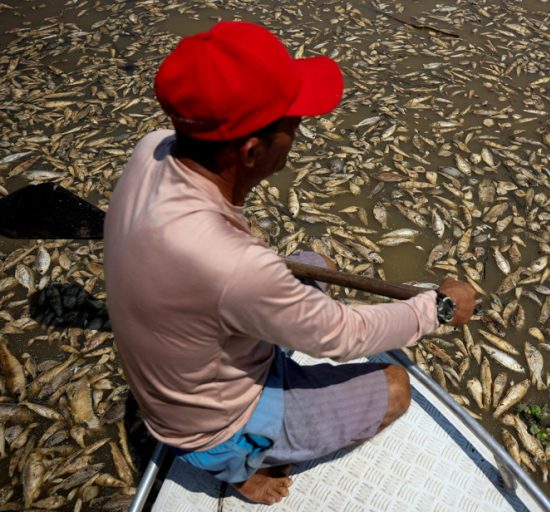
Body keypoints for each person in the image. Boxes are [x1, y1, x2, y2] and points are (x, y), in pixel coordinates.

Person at [103, 21, 476, 505]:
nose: (298, 134)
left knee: (312, 262)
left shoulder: (152, 148)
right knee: (396, 387)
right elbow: (345, 337)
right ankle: (241, 466)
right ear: (253, 151)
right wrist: (439, 309)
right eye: (293, 125)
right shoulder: (236, 267)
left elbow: (228, 273)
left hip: (196, 346)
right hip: (214, 425)